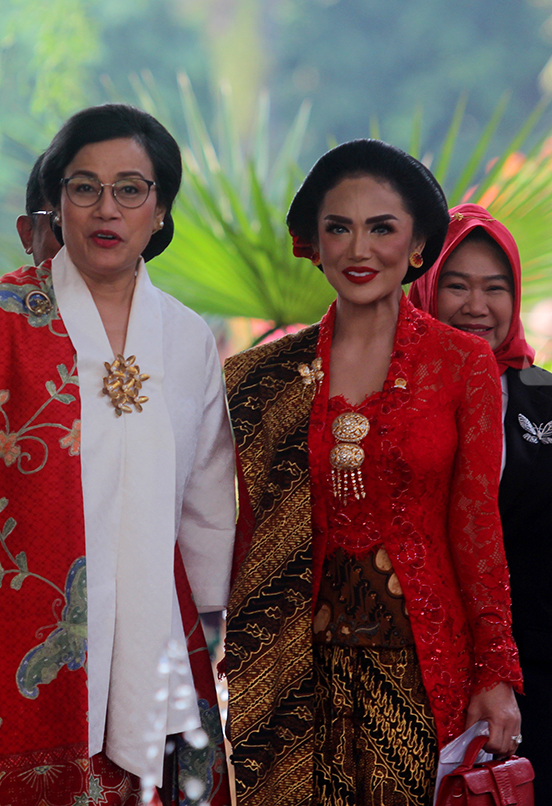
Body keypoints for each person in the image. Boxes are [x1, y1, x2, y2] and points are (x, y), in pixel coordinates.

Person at [0, 103, 236, 804]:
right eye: (84, 187)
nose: (106, 209)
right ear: (56, 202)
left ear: (160, 208)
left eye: (130, 188)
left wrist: (213, 643)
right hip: (17, 648)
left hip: (155, 647)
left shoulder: (188, 337)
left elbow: (205, 513)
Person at [224, 140, 522, 806]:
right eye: (340, 227)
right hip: (291, 673)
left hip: (419, 671)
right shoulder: (258, 377)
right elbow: (242, 536)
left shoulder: (463, 364)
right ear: (315, 246)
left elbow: (477, 529)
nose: (360, 249)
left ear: (418, 247)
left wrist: (495, 669)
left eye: (382, 228)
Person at [409, 203, 552, 803]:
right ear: (426, 291)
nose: (476, 305)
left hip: (539, 693)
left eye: (495, 288)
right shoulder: (391, 401)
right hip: (410, 686)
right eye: (456, 285)